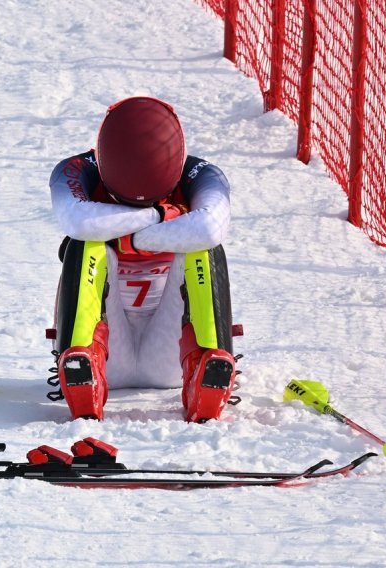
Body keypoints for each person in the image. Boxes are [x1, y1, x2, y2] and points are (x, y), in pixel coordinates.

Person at [46, 96, 238, 422]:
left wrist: (125, 233)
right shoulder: (75, 170)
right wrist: (164, 215)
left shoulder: (203, 175)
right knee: (86, 244)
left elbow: (209, 228)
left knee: (204, 249)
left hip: (170, 348)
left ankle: (206, 367)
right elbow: (80, 221)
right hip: (107, 348)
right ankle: (83, 367)